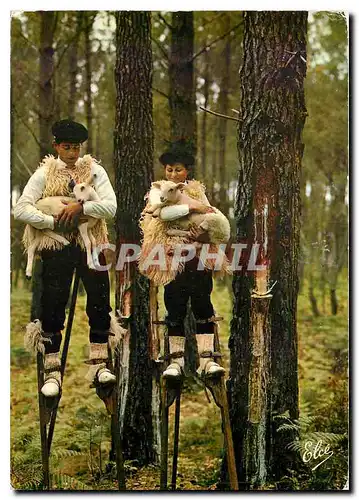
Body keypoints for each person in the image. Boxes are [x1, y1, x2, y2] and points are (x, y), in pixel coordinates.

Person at [14, 119, 117, 397]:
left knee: (99, 299)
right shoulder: (44, 173)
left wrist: (80, 205)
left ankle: (99, 363)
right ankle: (52, 369)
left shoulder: (94, 170)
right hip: (56, 244)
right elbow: (21, 208)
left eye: (76, 147)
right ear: (56, 146)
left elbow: (110, 206)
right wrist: (51, 221)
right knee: (53, 303)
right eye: (66, 147)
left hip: (91, 242)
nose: (72, 153)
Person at [139, 139, 230, 380]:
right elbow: (158, 218)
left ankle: (207, 359)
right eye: (169, 169)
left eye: (178, 169)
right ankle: (175, 361)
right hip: (171, 255)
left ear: (187, 171)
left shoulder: (197, 192)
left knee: (202, 303)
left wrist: (204, 230)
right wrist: (190, 211)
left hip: (197, 255)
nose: (173, 173)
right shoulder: (158, 192)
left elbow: (209, 214)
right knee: (174, 305)